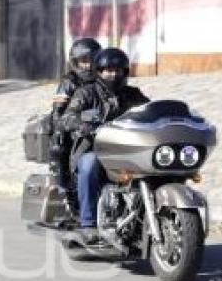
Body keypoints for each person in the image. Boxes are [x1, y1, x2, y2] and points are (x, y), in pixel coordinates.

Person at [61, 47, 150, 242]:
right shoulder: (86, 93)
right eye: (108, 70)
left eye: (117, 70)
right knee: (89, 164)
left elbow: (149, 111)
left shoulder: (133, 94)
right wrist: (82, 125)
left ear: (124, 72)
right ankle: (88, 224)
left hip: (126, 151)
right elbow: (67, 117)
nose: (113, 74)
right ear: (99, 72)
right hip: (94, 149)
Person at [51, 38, 101, 189]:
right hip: (74, 127)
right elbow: (57, 112)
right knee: (59, 146)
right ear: (75, 63)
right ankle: (64, 186)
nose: (88, 66)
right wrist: (66, 127)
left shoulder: (103, 80)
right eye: (84, 61)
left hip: (98, 125)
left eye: (92, 60)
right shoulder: (68, 82)